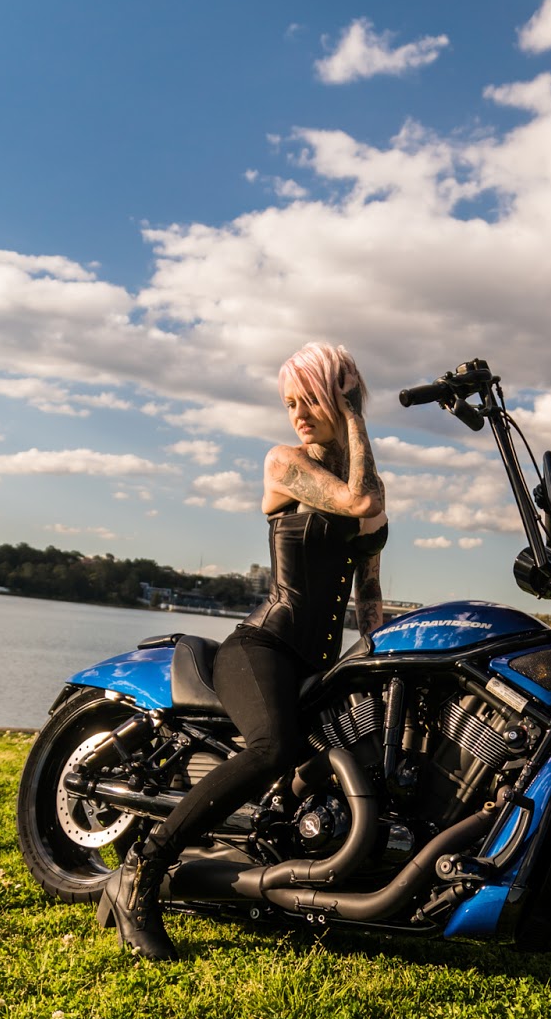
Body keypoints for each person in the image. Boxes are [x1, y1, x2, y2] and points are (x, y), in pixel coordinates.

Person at [96, 341, 388, 960]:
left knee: (359, 753)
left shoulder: (370, 483)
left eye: (309, 399)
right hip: (261, 647)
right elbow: (358, 502)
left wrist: (375, 652)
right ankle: (140, 875)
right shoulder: (284, 463)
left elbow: (370, 588)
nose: (298, 414)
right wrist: (357, 414)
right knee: (273, 746)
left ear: (335, 394)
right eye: (290, 403)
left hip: (317, 661)